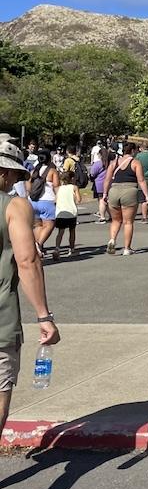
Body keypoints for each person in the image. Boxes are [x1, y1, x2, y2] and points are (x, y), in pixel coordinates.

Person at [0, 133, 60, 437]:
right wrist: (43, 316)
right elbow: (27, 261)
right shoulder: (15, 206)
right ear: (4, 171)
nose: (14, 181)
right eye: (13, 174)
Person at [102, 143, 148, 256]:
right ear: (133, 151)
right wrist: (146, 196)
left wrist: (105, 194)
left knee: (115, 220)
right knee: (128, 222)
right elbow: (141, 180)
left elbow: (107, 180)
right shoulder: (135, 163)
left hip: (114, 191)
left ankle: (112, 239)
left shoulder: (114, 163)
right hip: (129, 190)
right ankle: (126, 248)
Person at [29, 151, 60, 252]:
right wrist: (58, 199)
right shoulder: (52, 171)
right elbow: (56, 186)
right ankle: (38, 244)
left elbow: (28, 186)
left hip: (33, 202)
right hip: (47, 201)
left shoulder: (33, 171)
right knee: (49, 225)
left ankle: (38, 247)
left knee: (37, 225)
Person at [53, 170, 81, 260]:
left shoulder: (58, 188)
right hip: (71, 213)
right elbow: (78, 199)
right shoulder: (74, 187)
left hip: (61, 213)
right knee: (72, 231)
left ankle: (57, 248)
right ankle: (71, 249)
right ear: (72, 179)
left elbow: (55, 200)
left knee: (60, 232)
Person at [91, 149, 112, 222]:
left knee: (101, 200)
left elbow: (93, 173)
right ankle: (111, 215)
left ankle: (102, 217)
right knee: (107, 200)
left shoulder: (98, 163)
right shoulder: (110, 163)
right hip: (109, 183)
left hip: (99, 184)